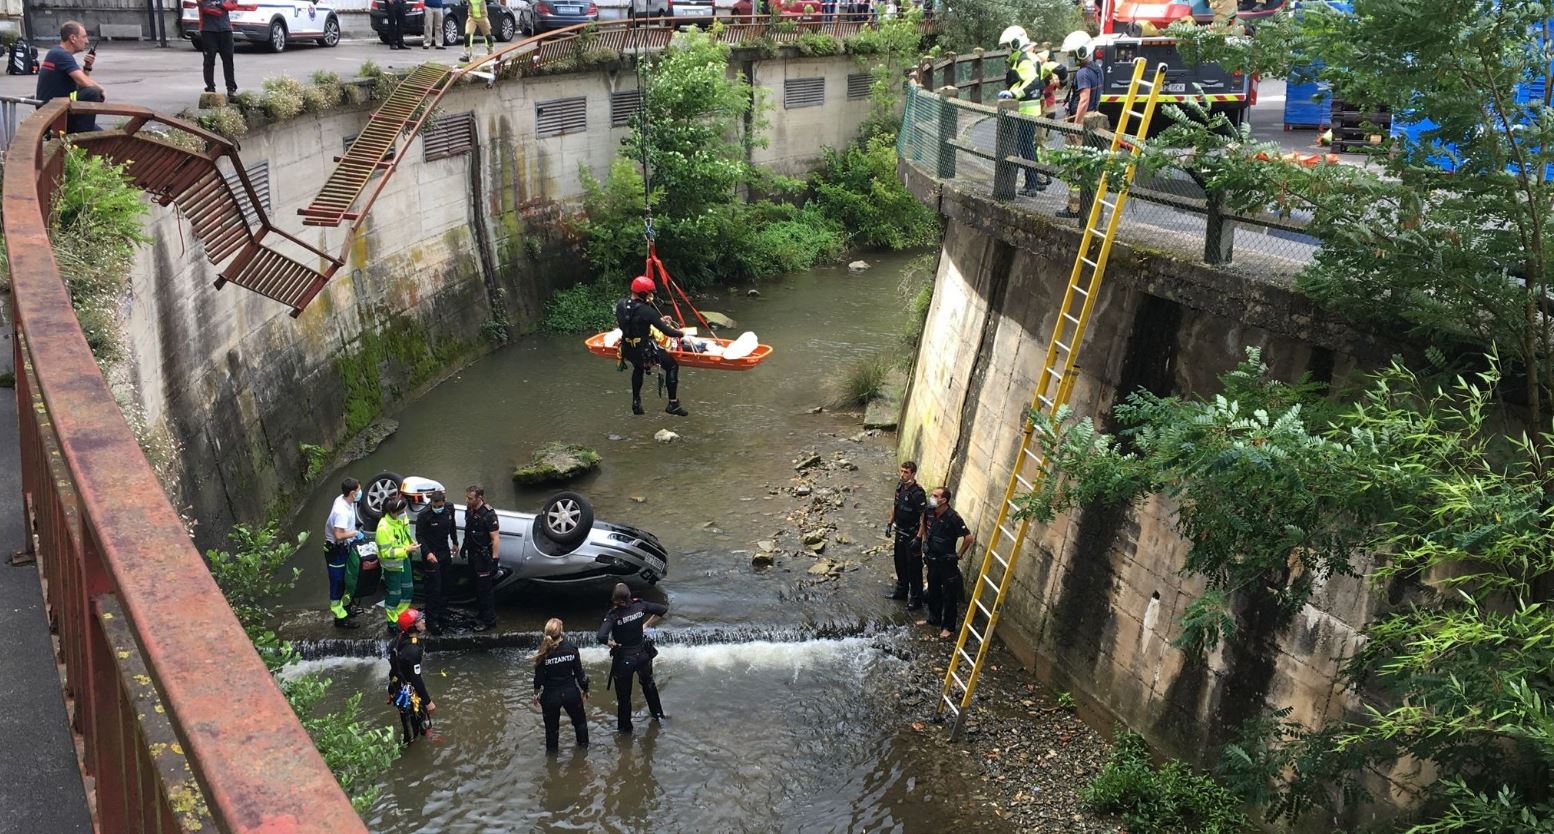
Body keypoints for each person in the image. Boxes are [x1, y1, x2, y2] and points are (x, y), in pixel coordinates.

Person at [614, 275, 690, 417]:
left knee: (638, 367)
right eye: (649, 293)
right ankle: (673, 404)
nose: (651, 296)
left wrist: (658, 320)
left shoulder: (620, 304)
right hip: (644, 351)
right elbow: (668, 332)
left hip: (627, 349)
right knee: (672, 366)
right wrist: (682, 333)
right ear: (643, 293)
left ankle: (636, 402)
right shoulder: (647, 310)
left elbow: (633, 320)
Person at [598, 583, 668, 733]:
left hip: (624, 660)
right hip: (643, 656)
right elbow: (663, 609)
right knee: (649, 685)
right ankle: (658, 716)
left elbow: (601, 636)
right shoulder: (639, 606)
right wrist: (646, 624)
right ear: (629, 596)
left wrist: (612, 644)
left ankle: (625, 732)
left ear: (614, 598)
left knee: (624, 698)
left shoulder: (613, 614)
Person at [996, 26, 1052, 197]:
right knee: (1027, 146)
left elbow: (1032, 80)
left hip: (1026, 110)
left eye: (1008, 46)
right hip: (1030, 109)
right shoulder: (1027, 58)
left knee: (1026, 147)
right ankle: (1032, 183)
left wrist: (1014, 94)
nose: (1007, 50)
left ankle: (1031, 185)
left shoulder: (1024, 60)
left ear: (1015, 43)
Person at [1057, 30, 1103, 220]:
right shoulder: (1097, 69)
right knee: (1089, 166)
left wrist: (1075, 125)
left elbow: (1084, 99)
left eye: (1073, 53)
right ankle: (1089, 206)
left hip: (1082, 122)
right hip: (1093, 119)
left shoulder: (1083, 73)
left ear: (1081, 52)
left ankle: (1074, 207)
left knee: (1074, 165)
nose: (1072, 57)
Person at [918, 486, 974, 640]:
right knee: (933, 590)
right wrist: (924, 541)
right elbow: (923, 523)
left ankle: (948, 627)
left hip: (947, 562)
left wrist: (959, 554)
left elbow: (968, 537)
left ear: (944, 500)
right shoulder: (929, 511)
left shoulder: (953, 517)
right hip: (932, 560)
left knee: (949, 595)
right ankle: (933, 618)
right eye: (932, 495)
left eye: (935, 496)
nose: (932, 498)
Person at [532, 618, 590, 752]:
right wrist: (585, 690)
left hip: (550, 696)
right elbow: (580, 674)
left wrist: (535, 694)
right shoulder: (571, 649)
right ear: (561, 631)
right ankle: (583, 755)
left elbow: (538, 679)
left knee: (551, 731)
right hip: (571, 693)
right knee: (580, 723)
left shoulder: (543, 653)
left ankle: (552, 761)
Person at [36, 21, 104, 133]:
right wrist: (101, 89)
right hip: (55, 115)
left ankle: (86, 135)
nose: (87, 41)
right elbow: (84, 82)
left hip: (55, 109)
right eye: (84, 37)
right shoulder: (61, 55)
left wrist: (87, 67)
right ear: (73, 38)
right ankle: (81, 138)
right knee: (93, 93)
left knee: (104, 136)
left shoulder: (56, 53)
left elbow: (80, 83)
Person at [387, 608, 436, 745]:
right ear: (413, 626)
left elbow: (394, 668)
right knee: (413, 721)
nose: (424, 621)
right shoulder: (413, 650)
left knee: (412, 716)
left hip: (397, 684)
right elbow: (416, 679)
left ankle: (420, 736)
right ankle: (412, 743)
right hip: (408, 689)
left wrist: (391, 690)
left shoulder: (398, 639)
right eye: (420, 620)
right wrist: (428, 701)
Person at [324, 477, 366, 629]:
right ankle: (340, 619)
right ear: (353, 493)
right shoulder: (341, 511)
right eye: (359, 490)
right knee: (339, 583)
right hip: (336, 551)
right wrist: (355, 533)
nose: (361, 493)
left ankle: (347, 610)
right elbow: (338, 535)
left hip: (344, 548)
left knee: (348, 580)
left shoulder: (343, 500)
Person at [885, 460, 928, 608]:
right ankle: (901, 592)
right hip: (900, 531)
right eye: (901, 471)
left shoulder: (918, 493)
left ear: (913, 474)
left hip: (912, 535)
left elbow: (924, 517)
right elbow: (895, 506)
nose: (903, 474)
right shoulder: (900, 486)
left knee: (914, 568)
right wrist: (889, 523)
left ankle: (916, 599)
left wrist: (919, 538)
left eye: (906, 472)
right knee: (899, 563)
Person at [415, 488, 458, 634]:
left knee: (446, 584)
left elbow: (452, 526)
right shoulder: (424, 514)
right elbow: (419, 536)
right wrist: (427, 553)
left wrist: (455, 542)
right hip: (431, 553)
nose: (437, 508)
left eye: (440, 506)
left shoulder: (450, 508)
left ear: (444, 502)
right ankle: (432, 620)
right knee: (434, 587)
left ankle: (442, 613)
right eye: (435, 506)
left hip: (444, 550)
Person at [376, 494, 421, 632]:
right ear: (393, 512)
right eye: (402, 510)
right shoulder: (383, 528)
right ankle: (392, 622)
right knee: (394, 594)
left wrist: (410, 545)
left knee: (408, 590)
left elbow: (404, 536)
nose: (405, 512)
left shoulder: (399, 519)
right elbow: (386, 552)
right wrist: (406, 549)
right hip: (392, 567)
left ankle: (401, 616)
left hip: (404, 560)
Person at [460, 484, 500, 631]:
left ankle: (489, 621)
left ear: (479, 498)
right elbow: (468, 530)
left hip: (483, 557)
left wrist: (495, 559)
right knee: (476, 587)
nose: (467, 500)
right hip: (473, 553)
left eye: (470, 498)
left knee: (485, 590)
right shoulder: (469, 510)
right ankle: (481, 614)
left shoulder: (488, 514)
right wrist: (464, 546)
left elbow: (495, 538)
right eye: (466, 497)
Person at [197, 0, 239, 96]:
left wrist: (219, 4)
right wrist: (223, 7)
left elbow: (233, 5)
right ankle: (210, 87)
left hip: (225, 29)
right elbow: (207, 8)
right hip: (208, 30)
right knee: (209, 60)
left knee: (228, 60)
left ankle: (231, 88)